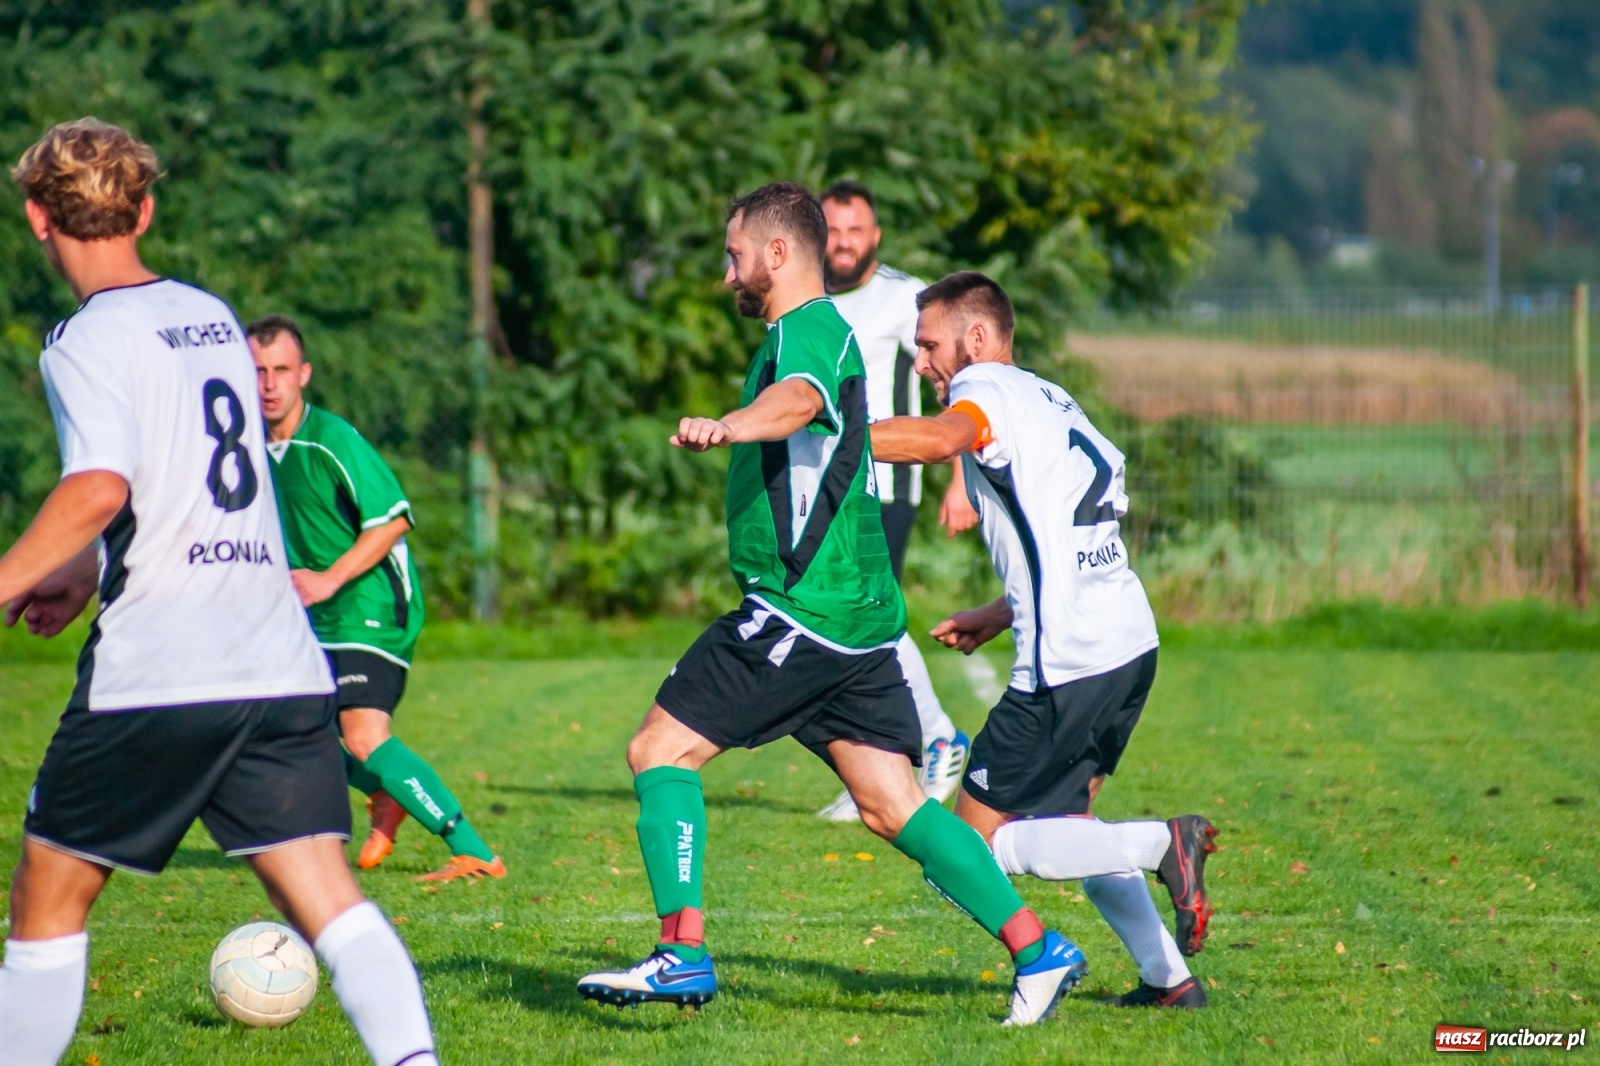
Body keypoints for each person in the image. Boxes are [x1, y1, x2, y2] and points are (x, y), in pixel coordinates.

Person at [575, 184, 1089, 1026]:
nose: (727, 272)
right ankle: (1039, 947)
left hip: (799, 611)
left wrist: (735, 424)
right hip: (857, 623)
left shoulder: (806, 329)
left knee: (658, 751)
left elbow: (802, 401)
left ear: (778, 255)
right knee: (893, 805)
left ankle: (681, 954)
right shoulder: (813, 327)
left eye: (734, 255)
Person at [0, 118, 438, 1065]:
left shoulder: (82, 339)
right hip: (276, 661)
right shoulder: (207, 316)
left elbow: (101, 487)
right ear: (145, 209)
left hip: (159, 668)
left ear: (37, 216)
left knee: (47, 897)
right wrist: (81, 566)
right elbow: (180, 481)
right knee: (328, 896)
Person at [869, 271, 1219, 1010]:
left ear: (977, 337)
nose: (920, 361)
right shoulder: (1048, 396)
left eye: (929, 345)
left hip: (1066, 662)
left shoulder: (986, 392)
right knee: (1073, 824)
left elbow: (940, 441)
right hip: (1126, 640)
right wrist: (999, 612)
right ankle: (1170, 979)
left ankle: (1161, 843)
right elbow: (1070, 532)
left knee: (965, 847)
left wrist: (836, 440)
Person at [249, 314, 505, 884]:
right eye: (257, 370)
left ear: (304, 374)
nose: (268, 383)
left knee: (363, 734)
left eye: (281, 370)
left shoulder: (332, 439)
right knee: (279, 732)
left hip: (370, 603)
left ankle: (474, 850)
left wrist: (328, 579)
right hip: (311, 614)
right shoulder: (246, 451)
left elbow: (392, 522)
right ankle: (386, 791)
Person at [813, 179, 966, 821]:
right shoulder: (810, 298)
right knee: (846, 618)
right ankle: (879, 767)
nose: (844, 241)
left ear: (875, 236)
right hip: (830, 482)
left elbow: (955, 377)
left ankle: (936, 738)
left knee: (868, 611)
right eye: (834, 229)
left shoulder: (904, 298)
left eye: (856, 229)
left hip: (886, 481)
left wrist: (961, 479)